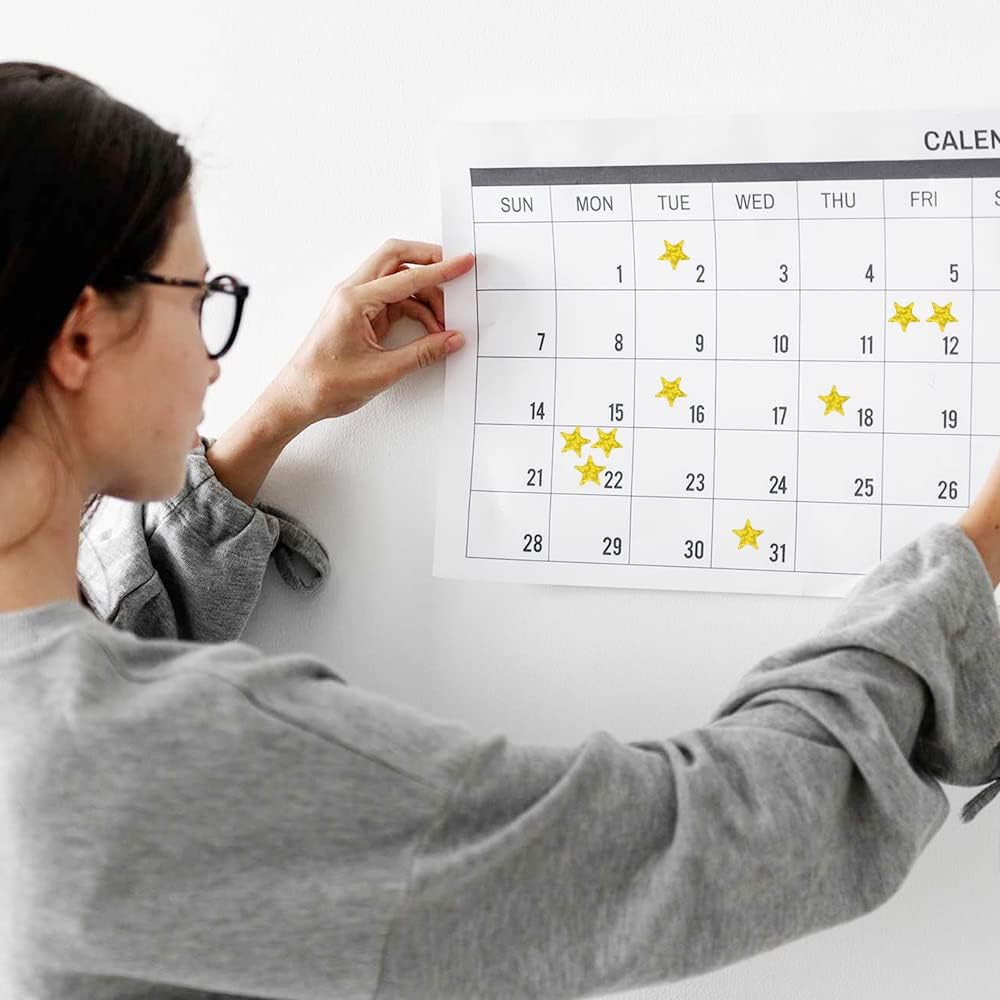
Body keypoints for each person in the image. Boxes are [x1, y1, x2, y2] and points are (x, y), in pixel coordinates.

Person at [1, 59, 1000, 1000]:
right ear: (82, 335)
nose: (213, 359)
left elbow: (94, 663)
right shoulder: (134, 760)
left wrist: (277, 418)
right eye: (201, 300)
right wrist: (978, 547)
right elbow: (705, 842)